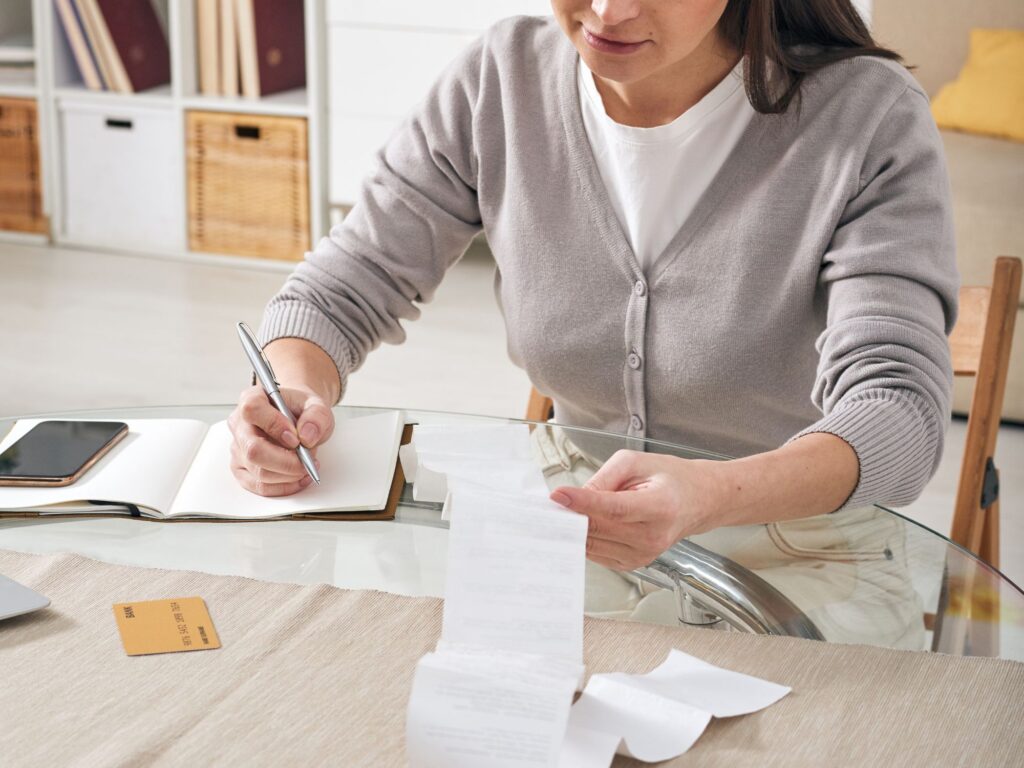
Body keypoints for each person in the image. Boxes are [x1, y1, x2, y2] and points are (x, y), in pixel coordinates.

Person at [228, 0, 957, 577]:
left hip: (804, 554)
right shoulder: (502, 80)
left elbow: (898, 413)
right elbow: (338, 290)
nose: (608, 11)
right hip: (571, 527)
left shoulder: (866, 117)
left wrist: (708, 497)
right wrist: (293, 390)